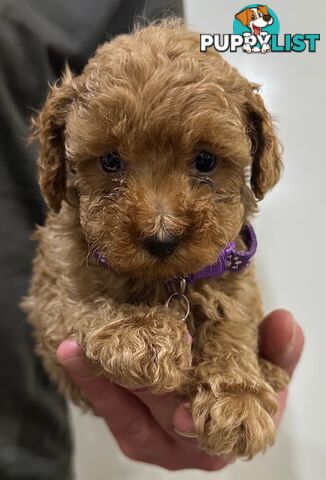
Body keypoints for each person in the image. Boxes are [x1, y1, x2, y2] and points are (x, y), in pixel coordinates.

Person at [0, 0, 303, 477]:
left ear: (258, 156)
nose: (159, 226)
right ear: (58, 161)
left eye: (205, 162)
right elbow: (61, 305)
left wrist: (231, 366)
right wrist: (113, 327)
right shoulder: (70, 251)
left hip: (24, 444)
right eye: (111, 165)